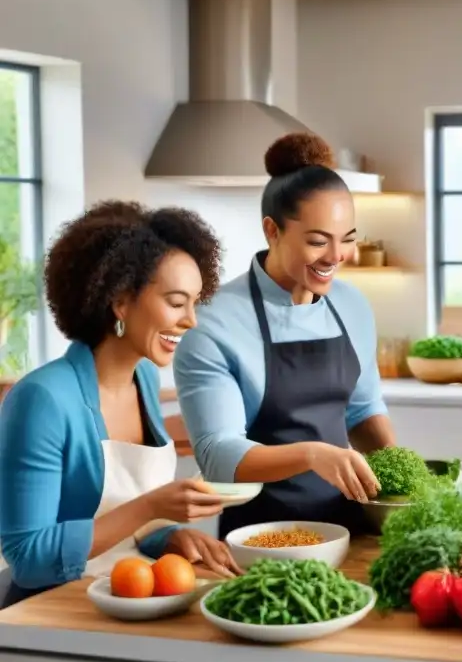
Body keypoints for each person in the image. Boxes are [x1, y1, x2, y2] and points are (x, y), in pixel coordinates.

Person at [0, 201, 239, 607]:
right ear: (120, 301)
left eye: (196, 303)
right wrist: (152, 506)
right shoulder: (42, 400)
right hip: (53, 614)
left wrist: (170, 535)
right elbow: (28, 560)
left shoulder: (143, 378)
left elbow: (123, 525)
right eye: (177, 302)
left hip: (130, 598)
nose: (191, 321)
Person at [173, 132, 396, 538]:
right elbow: (217, 455)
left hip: (353, 528)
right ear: (272, 230)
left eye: (347, 240)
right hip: (261, 537)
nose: (335, 257)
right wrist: (312, 455)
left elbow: (362, 411)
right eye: (317, 241)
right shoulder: (213, 322)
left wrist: (406, 481)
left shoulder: (352, 305)